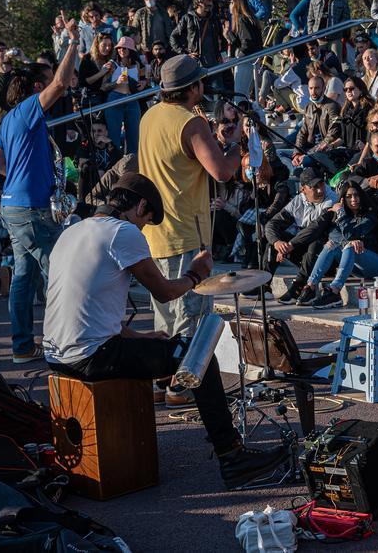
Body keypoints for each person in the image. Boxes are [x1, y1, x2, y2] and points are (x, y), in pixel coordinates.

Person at [42, 172, 289, 489]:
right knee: (197, 355)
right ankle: (232, 456)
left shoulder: (72, 231)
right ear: (141, 205)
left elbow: (89, 311)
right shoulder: (121, 232)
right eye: (146, 221)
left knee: (171, 349)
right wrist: (196, 274)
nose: (143, 229)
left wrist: (140, 338)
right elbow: (164, 292)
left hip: (57, 355)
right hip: (92, 356)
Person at [136, 54, 248, 404]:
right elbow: (222, 172)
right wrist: (237, 143)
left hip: (153, 233)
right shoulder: (190, 123)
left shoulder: (150, 116)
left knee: (165, 315)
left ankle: (163, 381)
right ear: (194, 87)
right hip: (185, 232)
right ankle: (180, 389)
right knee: (191, 319)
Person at [0, 12, 82, 363]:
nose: (52, 86)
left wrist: (19, 174)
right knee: (56, 274)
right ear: (34, 88)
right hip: (31, 208)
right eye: (44, 82)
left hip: (13, 206)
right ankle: (65, 345)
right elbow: (60, 84)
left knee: (23, 278)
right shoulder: (29, 109)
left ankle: (22, 346)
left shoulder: (8, 120)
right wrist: (72, 42)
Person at [302, 183, 378, 309]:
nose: (353, 199)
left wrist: (340, 213)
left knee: (350, 246)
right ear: (343, 199)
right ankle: (311, 286)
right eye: (349, 196)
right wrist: (347, 240)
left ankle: (334, 291)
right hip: (358, 268)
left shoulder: (370, 214)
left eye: (356, 195)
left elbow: (352, 234)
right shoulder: (344, 215)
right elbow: (334, 235)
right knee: (331, 245)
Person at [268, 168, 338, 304]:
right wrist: (277, 243)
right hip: (305, 255)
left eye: (322, 184)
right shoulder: (298, 200)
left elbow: (316, 228)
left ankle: (299, 286)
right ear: (303, 189)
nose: (320, 190)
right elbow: (272, 224)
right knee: (272, 240)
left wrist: (291, 245)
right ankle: (264, 285)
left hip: (327, 259)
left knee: (317, 240)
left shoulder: (332, 199)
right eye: (314, 187)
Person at [101, 36, 149, 153]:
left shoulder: (137, 64)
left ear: (131, 50)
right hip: (115, 99)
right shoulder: (111, 64)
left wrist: (143, 82)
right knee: (114, 138)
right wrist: (116, 82)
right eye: (119, 48)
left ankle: (132, 167)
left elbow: (145, 78)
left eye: (125, 48)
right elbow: (103, 86)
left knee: (134, 138)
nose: (122, 50)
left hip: (132, 99)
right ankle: (114, 166)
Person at [226, 0, 264, 101]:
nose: (229, 5)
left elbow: (247, 42)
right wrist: (229, 34)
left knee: (240, 95)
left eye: (231, 2)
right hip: (251, 59)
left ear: (236, 4)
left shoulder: (242, 19)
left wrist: (238, 58)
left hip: (246, 60)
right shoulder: (248, 19)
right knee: (244, 94)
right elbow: (243, 41)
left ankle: (243, 117)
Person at [170, 0, 223, 68]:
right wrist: (184, 54)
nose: (211, 3)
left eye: (211, 1)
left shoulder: (214, 18)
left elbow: (222, 38)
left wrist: (222, 55)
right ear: (199, 2)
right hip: (196, 64)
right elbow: (173, 37)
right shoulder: (188, 18)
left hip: (214, 62)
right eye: (208, 0)